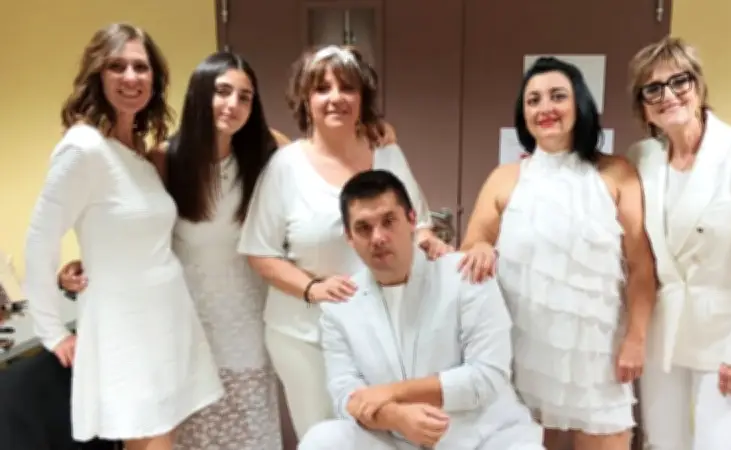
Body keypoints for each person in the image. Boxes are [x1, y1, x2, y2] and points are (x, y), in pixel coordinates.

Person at [57, 51, 286, 449]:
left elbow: (319, 161)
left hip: (247, 324)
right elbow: (132, 227)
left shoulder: (269, 151)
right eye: (222, 91)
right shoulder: (166, 158)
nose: (233, 104)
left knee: (251, 434)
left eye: (245, 96)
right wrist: (81, 264)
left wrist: (376, 132)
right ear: (200, 93)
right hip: (183, 324)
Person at [23, 23, 223, 449]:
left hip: (165, 317)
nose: (131, 77)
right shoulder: (83, 147)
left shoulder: (136, 154)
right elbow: (40, 240)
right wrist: (52, 330)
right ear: (97, 75)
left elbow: (128, 234)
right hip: (126, 329)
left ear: (155, 79)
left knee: (164, 437)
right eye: (117, 66)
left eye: (141, 67)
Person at [238, 45, 452, 439]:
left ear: (362, 98)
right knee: (328, 435)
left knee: (385, 432)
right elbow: (259, 252)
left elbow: (417, 224)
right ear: (306, 99)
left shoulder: (386, 153)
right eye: (322, 88)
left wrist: (430, 243)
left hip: (383, 332)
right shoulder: (285, 167)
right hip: (306, 336)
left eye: (347, 88)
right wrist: (312, 289)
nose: (335, 97)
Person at [458, 57, 657, 450]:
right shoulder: (504, 178)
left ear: (579, 104)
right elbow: (472, 245)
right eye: (533, 100)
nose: (545, 108)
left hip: (599, 353)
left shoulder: (617, 173)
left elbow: (641, 267)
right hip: (523, 349)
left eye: (557, 96)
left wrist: (636, 338)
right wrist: (480, 245)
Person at [298, 169, 545, 450]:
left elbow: (487, 376)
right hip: (398, 439)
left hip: (486, 436)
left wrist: (392, 393)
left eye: (388, 221)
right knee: (322, 440)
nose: (378, 237)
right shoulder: (340, 306)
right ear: (349, 238)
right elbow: (346, 396)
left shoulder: (466, 274)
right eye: (363, 228)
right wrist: (397, 417)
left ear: (412, 220)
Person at [626, 37, 731, 450]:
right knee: (663, 443)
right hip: (663, 333)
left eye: (679, 81)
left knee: (719, 444)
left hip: (724, 335)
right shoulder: (642, 157)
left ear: (697, 86)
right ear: (643, 106)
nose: (668, 95)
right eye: (652, 89)